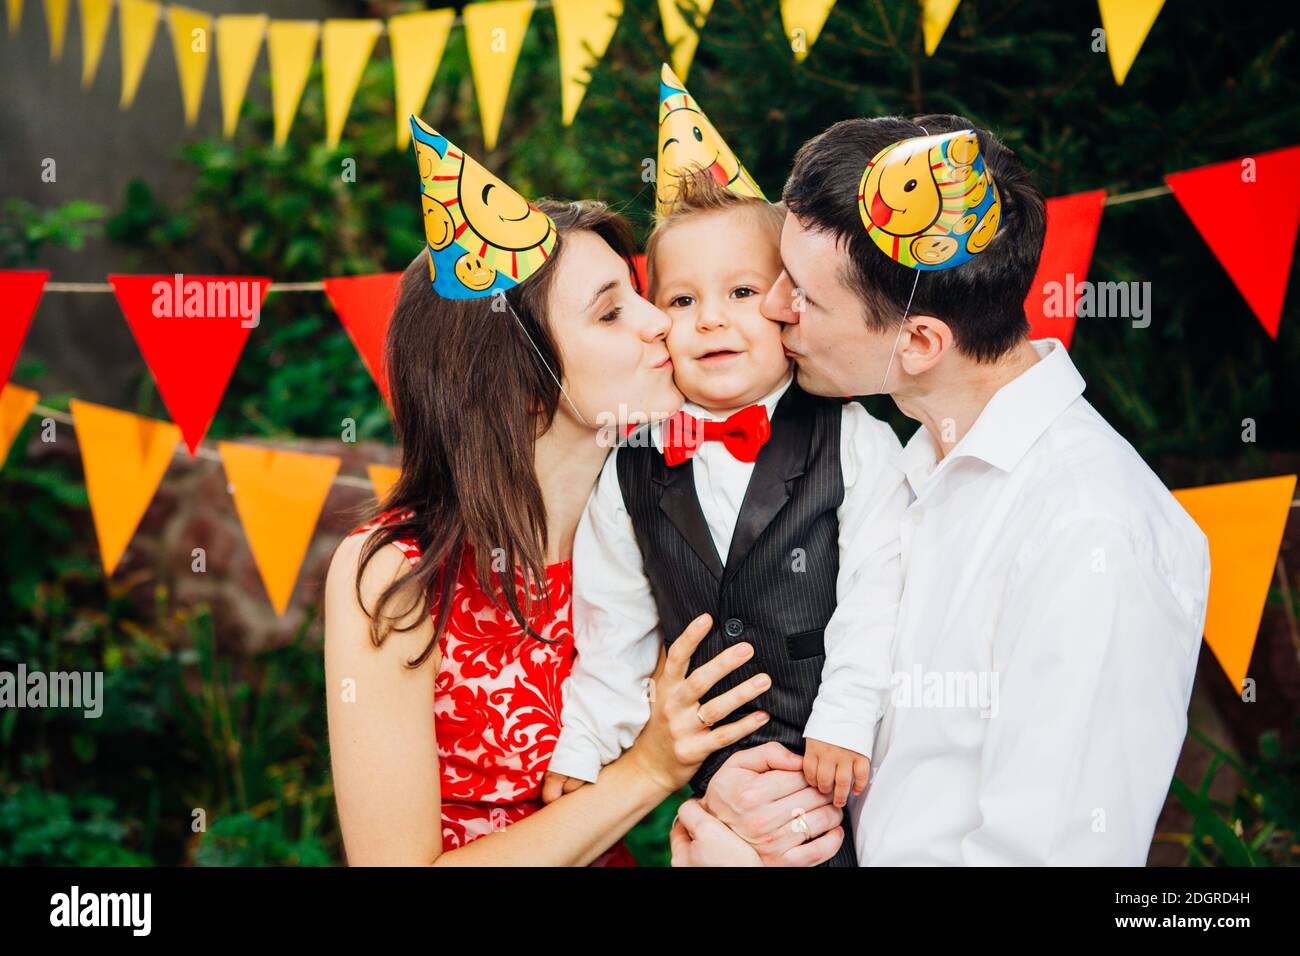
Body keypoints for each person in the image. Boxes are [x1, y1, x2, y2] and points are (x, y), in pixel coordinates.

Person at [672, 114, 1211, 866]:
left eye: (805, 296)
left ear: (919, 343)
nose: (771, 306)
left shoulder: (1092, 533)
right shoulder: (895, 464)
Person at [324, 115, 844, 866]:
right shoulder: (397, 572)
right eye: (611, 311)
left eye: (641, 294)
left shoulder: (671, 509)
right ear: (522, 384)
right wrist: (648, 771)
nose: (659, 323)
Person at [541, 162, 908, 871]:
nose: (710, 318)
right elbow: (613, 625)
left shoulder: (855, 436)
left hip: (848, 767)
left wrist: (845, 719)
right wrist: (585, 744)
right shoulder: (629, 462)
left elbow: (877, 592)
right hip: (722, 798)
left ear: (791, 304)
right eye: (680, 300)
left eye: (741, 292)